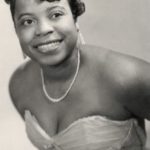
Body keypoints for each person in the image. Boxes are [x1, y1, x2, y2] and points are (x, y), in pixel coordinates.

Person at [4, 0, 150, 149]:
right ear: (16, 29)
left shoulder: (125, 77)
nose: (42, 29)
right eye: (27, 21)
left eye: (55, 14)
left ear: (74, 18)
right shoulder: (18, 85)